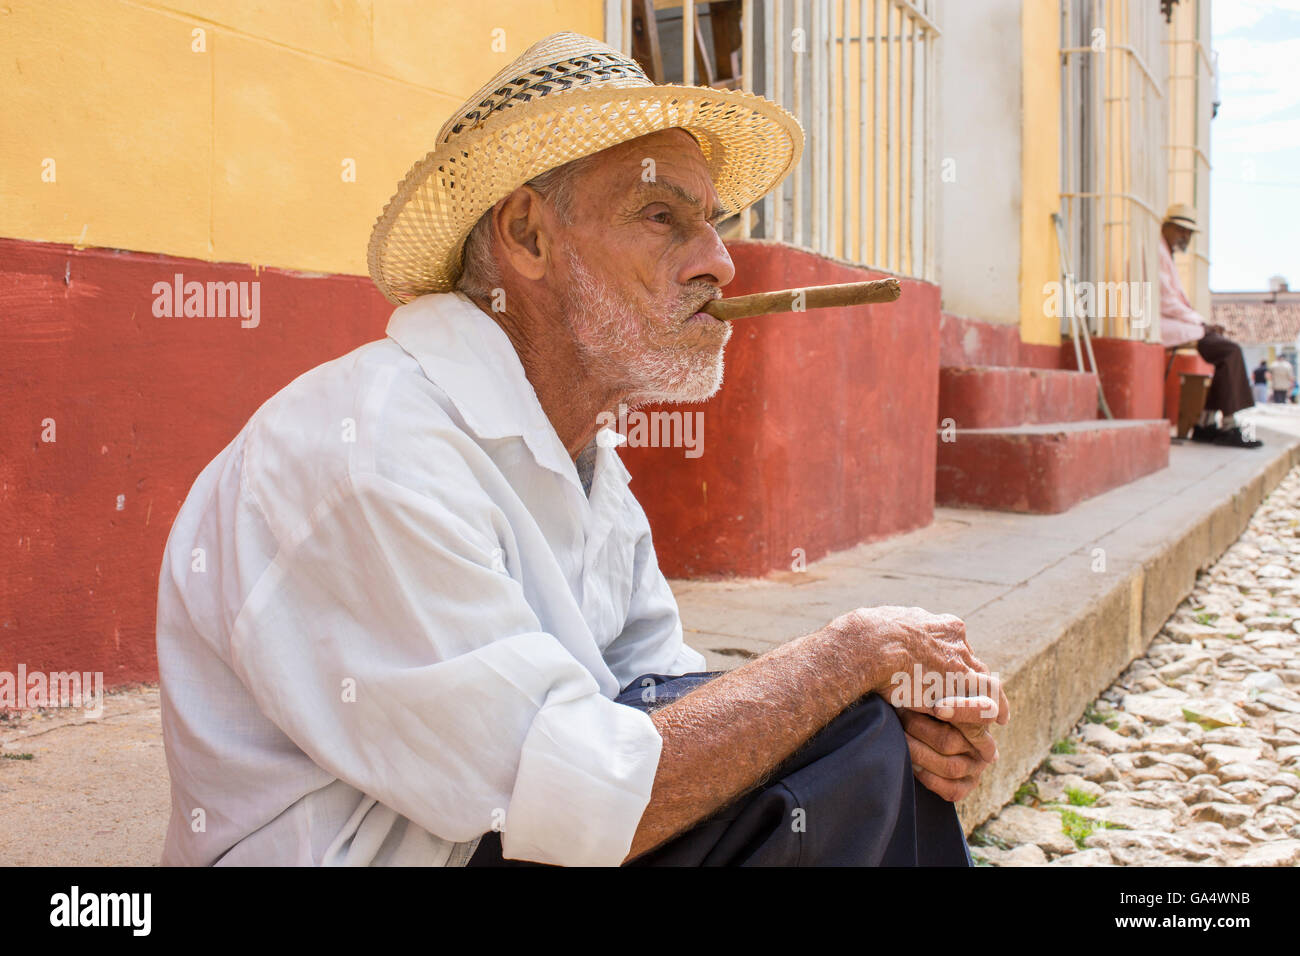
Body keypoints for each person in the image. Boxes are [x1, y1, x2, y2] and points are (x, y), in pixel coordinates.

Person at [155, 33, 1007, 868]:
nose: (718, 264)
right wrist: (847, 656)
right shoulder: (376, 451)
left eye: (711, 224)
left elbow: (658, 697)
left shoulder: (582, 459)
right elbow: (575, 798)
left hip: (509, 830)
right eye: (661, 216)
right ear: (527, 236)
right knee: (844, 730)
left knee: (854, 731)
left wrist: (883, 699)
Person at [1159, 203, 1261, 448]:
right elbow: (1164, 300)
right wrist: (1201, 323)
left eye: (1189, 233)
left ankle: (1206, 424)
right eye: (1181, 231)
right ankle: (1227, 425)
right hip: (1165, 322)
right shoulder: (1157, 252)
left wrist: (1203, 324)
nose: (1186, 237)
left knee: (1226, 354)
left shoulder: (1166, 253)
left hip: (1180, 322)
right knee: (1229, 351)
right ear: (1168, 227)